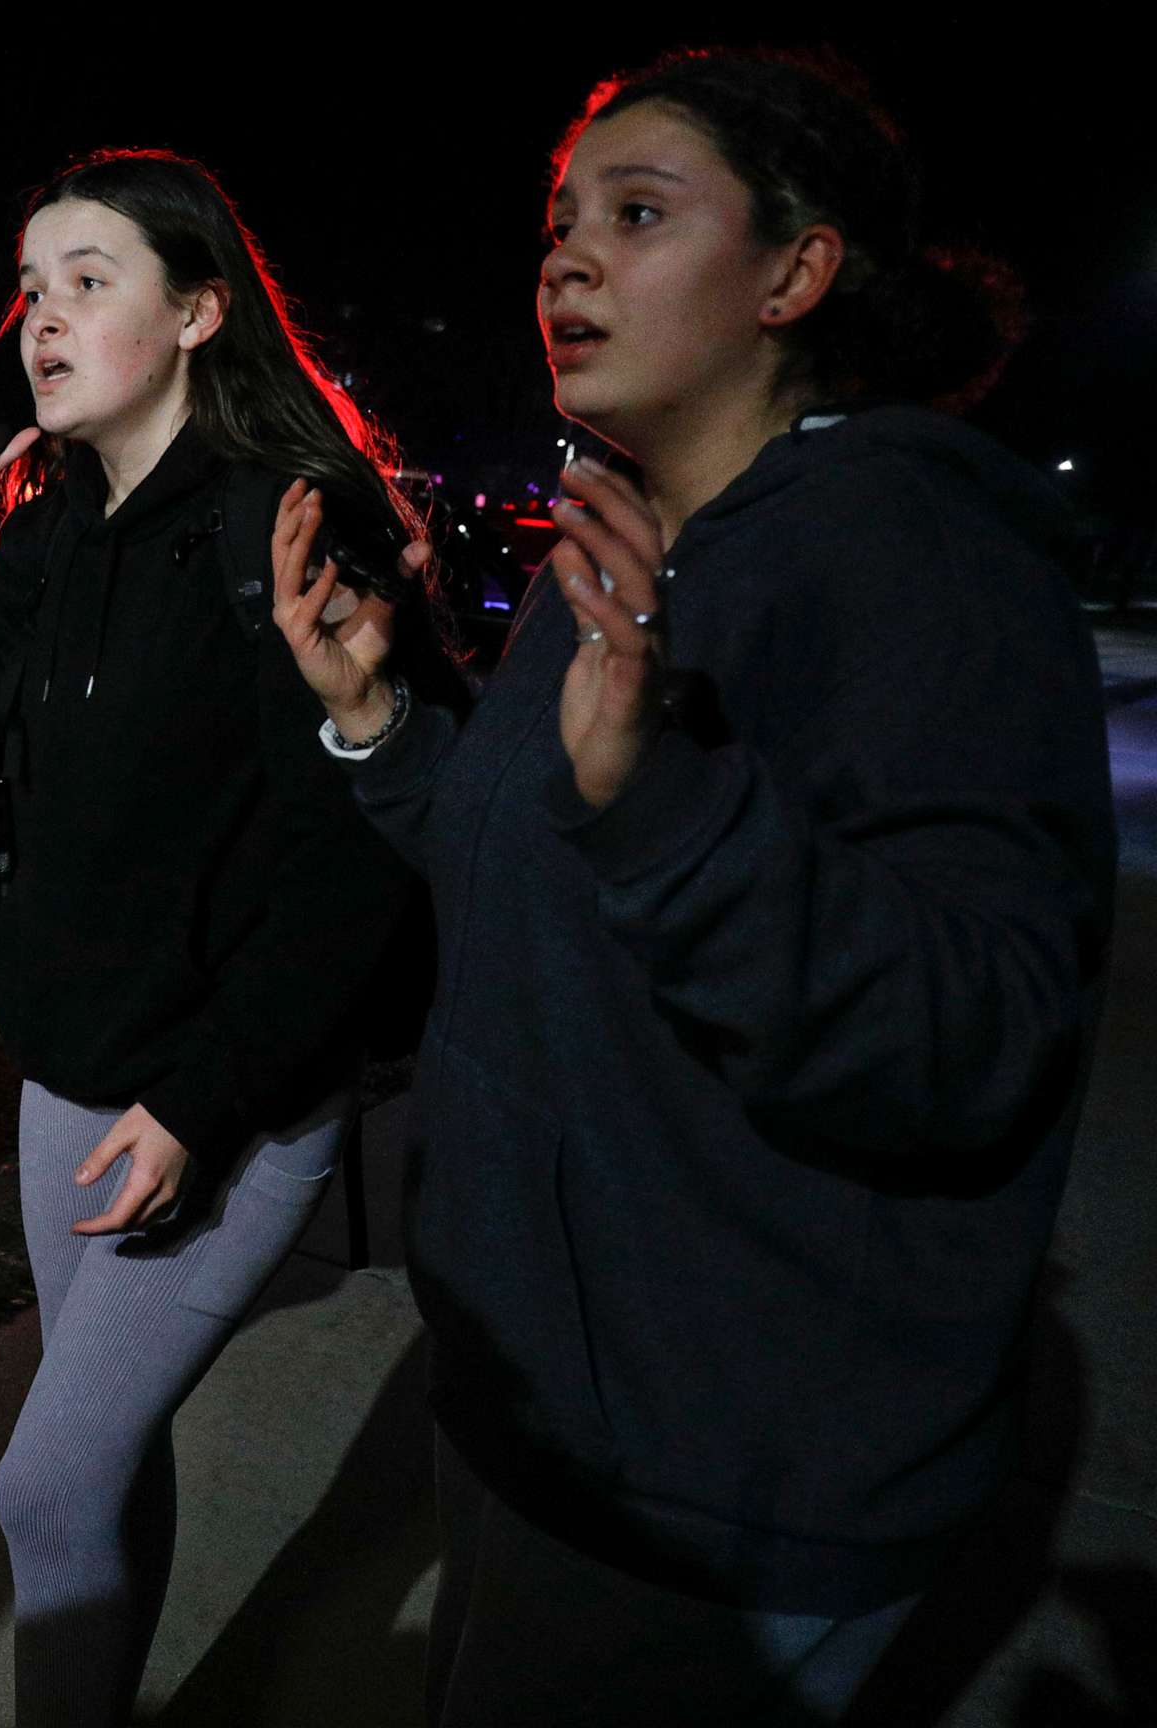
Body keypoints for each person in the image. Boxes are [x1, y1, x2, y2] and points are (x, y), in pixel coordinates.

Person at [273, 49, 1113, 1726]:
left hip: (723, 1477)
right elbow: (535, 876)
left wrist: (668, 801)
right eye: (559, 223)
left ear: (798, 274)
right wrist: (377, 724)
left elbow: (975, 1037)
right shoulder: (643, 543)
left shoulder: (915, 564)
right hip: (543, 1406)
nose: (564, 260)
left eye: (637, 215)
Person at [0, 149, 429, 1727]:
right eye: (31, 288)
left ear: (196, 310)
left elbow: (352, 872)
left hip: (230, 1096)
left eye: (87, 282)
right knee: (101, 1467)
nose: (40, 319)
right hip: (71, 1073)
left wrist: (201, 1103)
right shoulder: (59, 525)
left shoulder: (288, 530)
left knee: (46, 1484)